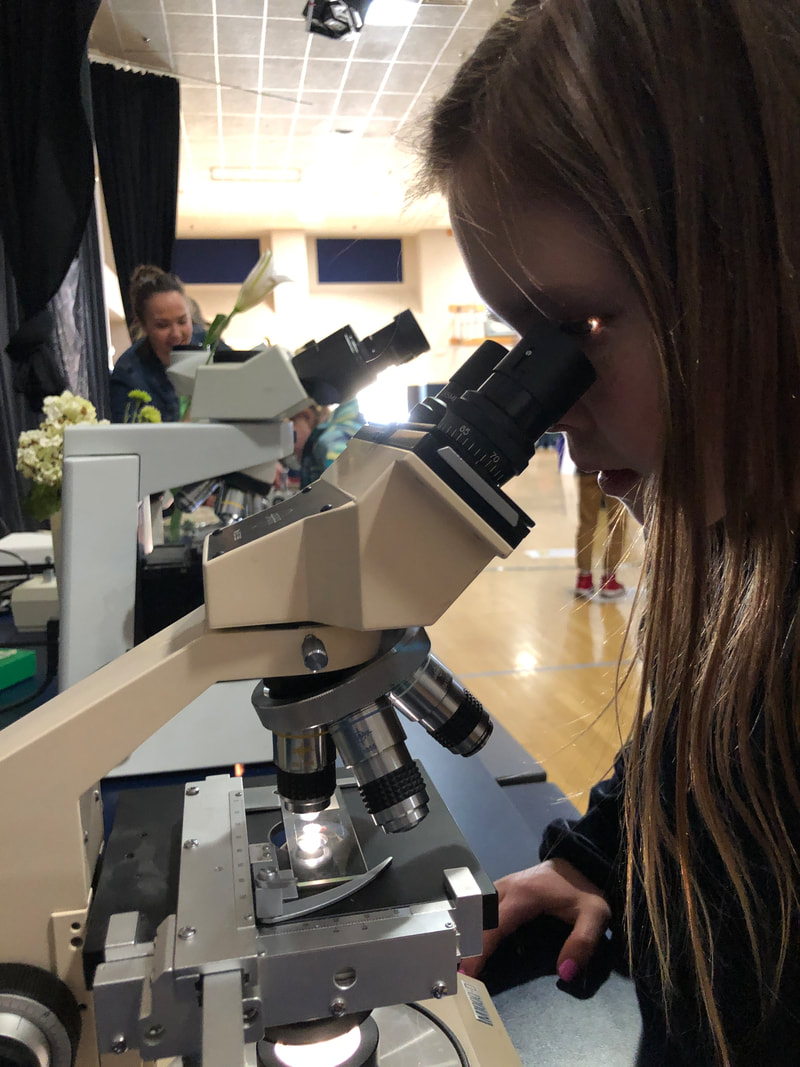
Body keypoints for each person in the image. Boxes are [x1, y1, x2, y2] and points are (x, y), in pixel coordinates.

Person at [416, 1, 800, 1064]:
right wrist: (603, 851)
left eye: (579, 329)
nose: (552, 407)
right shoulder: (750, 541)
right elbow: (718, 732)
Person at [110, 266, 204, 423]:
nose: (176, 334)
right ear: (143, 325)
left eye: (182, 321)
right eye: (162, 325)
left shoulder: (209, 344)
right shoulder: (128, 374)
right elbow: (126, 435)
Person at [574, 470, 627, 599]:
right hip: (618, 472)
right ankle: (609, 581)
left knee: (586, 524)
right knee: (617, 525)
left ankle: (584, 580)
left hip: (588, 470)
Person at [291, 398, 365, 488]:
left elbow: (344, 485)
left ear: (307, 416)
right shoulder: (345, 427)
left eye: (290, 430)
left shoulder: (330, 441)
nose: (290, 443)